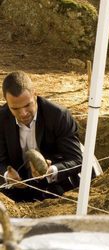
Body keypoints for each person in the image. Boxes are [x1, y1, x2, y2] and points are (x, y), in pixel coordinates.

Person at [0, 71, 83, 202]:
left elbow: (77, 160)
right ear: (6, 102)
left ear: (35, 95)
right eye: (15, 108)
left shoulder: (59, 116)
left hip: (55, 186)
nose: (23, 113)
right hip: (16, 188)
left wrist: (52, 170)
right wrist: (6, 174)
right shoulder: (1, 119)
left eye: (27, 105)